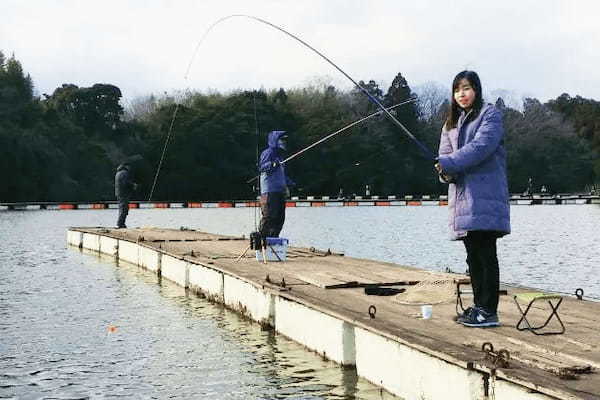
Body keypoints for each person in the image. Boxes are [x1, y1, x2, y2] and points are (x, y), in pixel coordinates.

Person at [435, 71, 510, 328]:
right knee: (472, 256)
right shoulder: (450, 124)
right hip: (463, 199)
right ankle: (479, 306)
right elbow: (445, 155)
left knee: (486, 252)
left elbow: (481, 148)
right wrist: (444, 172)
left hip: (485, 197)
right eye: (457, 90)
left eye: (466, 88)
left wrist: (449, 163)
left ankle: (489, 311)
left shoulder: (490, 115)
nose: (462, 94)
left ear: (476, 90)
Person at [258, 130, 294, 238]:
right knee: (269, 216)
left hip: (280, 192)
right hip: (269, 191)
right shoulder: (268, 153)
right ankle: (262, 240)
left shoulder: (280, 156)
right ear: (275, 140)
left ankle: (273, 240)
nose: (284, 142)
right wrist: (272, 164)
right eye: (282, 139)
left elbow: (281, 175)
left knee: (279, 218)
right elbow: (262, 167)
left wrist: (289, 183)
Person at [114, 162, 137, 229]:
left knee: (123, 208)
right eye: (129, 166)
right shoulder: (124, 173)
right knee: (124, 209)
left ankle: (121, 224)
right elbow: (125, 183)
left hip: (119, 193)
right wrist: (133, 185)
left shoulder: (118, 172)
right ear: (126, 166)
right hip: (123, 194)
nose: (130, 168)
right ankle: (120, 224)